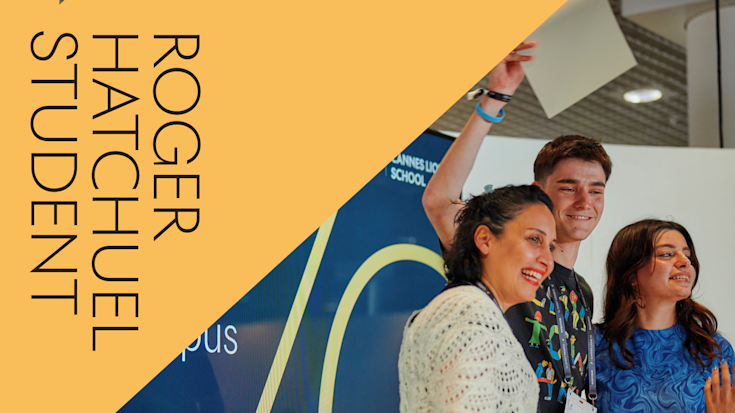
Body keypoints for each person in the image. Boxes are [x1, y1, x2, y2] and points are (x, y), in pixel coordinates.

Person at [423, 43, 612, 410]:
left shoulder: (583, 293)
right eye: (568, 188)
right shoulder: (503, 261)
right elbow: (439, 201)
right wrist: (495, 99)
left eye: (596, 190)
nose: (584, 202)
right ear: (539, 190)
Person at [399, 185, 557, 412]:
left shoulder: (470, 309)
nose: (548, 261)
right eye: (534, 239)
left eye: (551, 246)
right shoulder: (471, 313)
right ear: (484, 239)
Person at [595, 219, 735, 412]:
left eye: (687, 255)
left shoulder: (713, 349)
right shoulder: (595, 345)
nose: (685, 262)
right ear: (631, 274)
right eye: (666, 254)